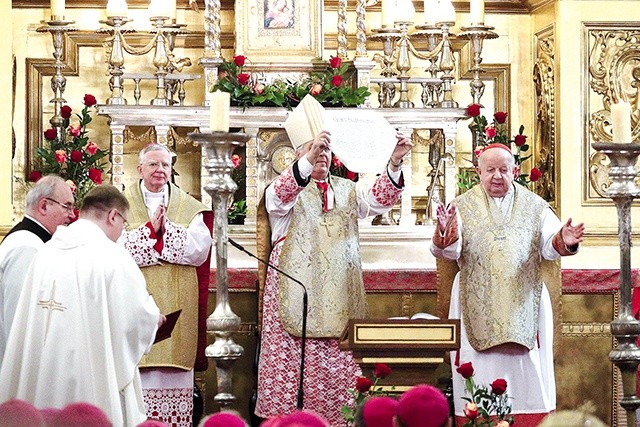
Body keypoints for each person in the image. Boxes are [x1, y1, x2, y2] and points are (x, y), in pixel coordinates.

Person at [255, 128, 413, 425]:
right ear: (298, 155)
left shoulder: (347, 189)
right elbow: (278, 198)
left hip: (339, 298)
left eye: (325, 150)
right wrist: (308, 158)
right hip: (295, 299)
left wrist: (394, 163)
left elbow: (379, 200)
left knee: (341, 389)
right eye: (313, 149)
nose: (321, 155)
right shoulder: (282, 189)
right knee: (293, 387)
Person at [430, 143, 585, 425]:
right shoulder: (462, 206)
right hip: (474, 305)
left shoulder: (535, 206)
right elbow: (450, 252)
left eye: (504, 169)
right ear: (478, 172)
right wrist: (444, 230)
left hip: (524, 305)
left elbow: (550, 246)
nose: (497, 176)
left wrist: (565, 238)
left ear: (515, 170)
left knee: (529, 378)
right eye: (490, 170)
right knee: (476, 374)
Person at [0, 185, 162, 427]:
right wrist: (154, 318)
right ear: (113, 216)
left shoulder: (46, 252)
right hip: (90, 380)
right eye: (123, 224)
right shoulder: (113, 257)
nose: (120, 232)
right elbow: (136, 318)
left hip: (41, 374)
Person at [120, 143, 213, 426]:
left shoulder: (190, 207)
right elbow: (114, 247)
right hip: (135, 302)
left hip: (177, 307)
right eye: (153, 164)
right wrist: (152, 232)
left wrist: (165, 232)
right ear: (139, 169)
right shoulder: (120, 204)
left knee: (173, 385)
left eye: (165, 165)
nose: (160, 170)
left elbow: (199, 250)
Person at [0, 175, 75, 368]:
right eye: (67, 206)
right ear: (43, 206)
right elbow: (16, 317)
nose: (72, 215)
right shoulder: (26, 247)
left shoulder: (35, 243)